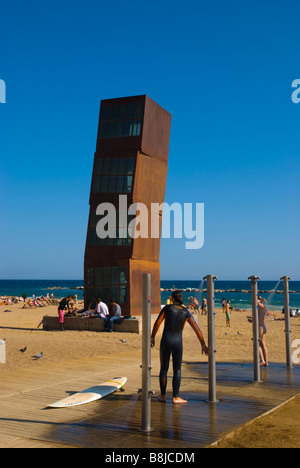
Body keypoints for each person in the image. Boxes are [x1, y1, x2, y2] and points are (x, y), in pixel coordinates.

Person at [151, 290, 208, 405]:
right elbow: (196, 328)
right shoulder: (186, 312)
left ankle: (163, 396)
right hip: (178, 343)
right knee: (177, 369)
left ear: (172, 298)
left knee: (164, 368)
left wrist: (152, 337)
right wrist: (203, 344)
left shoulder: (167, 308)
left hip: (166, 341)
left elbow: (157, 322)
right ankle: (176, 397)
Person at [258, 296, 269, 367]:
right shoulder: (263, 307)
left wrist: (260, 300)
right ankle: (266, 362)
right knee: (263, 344)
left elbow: (256, 302)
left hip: (261, 327)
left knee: (257, 343)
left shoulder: (262, 306)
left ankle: (262, 360)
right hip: (263, 326)